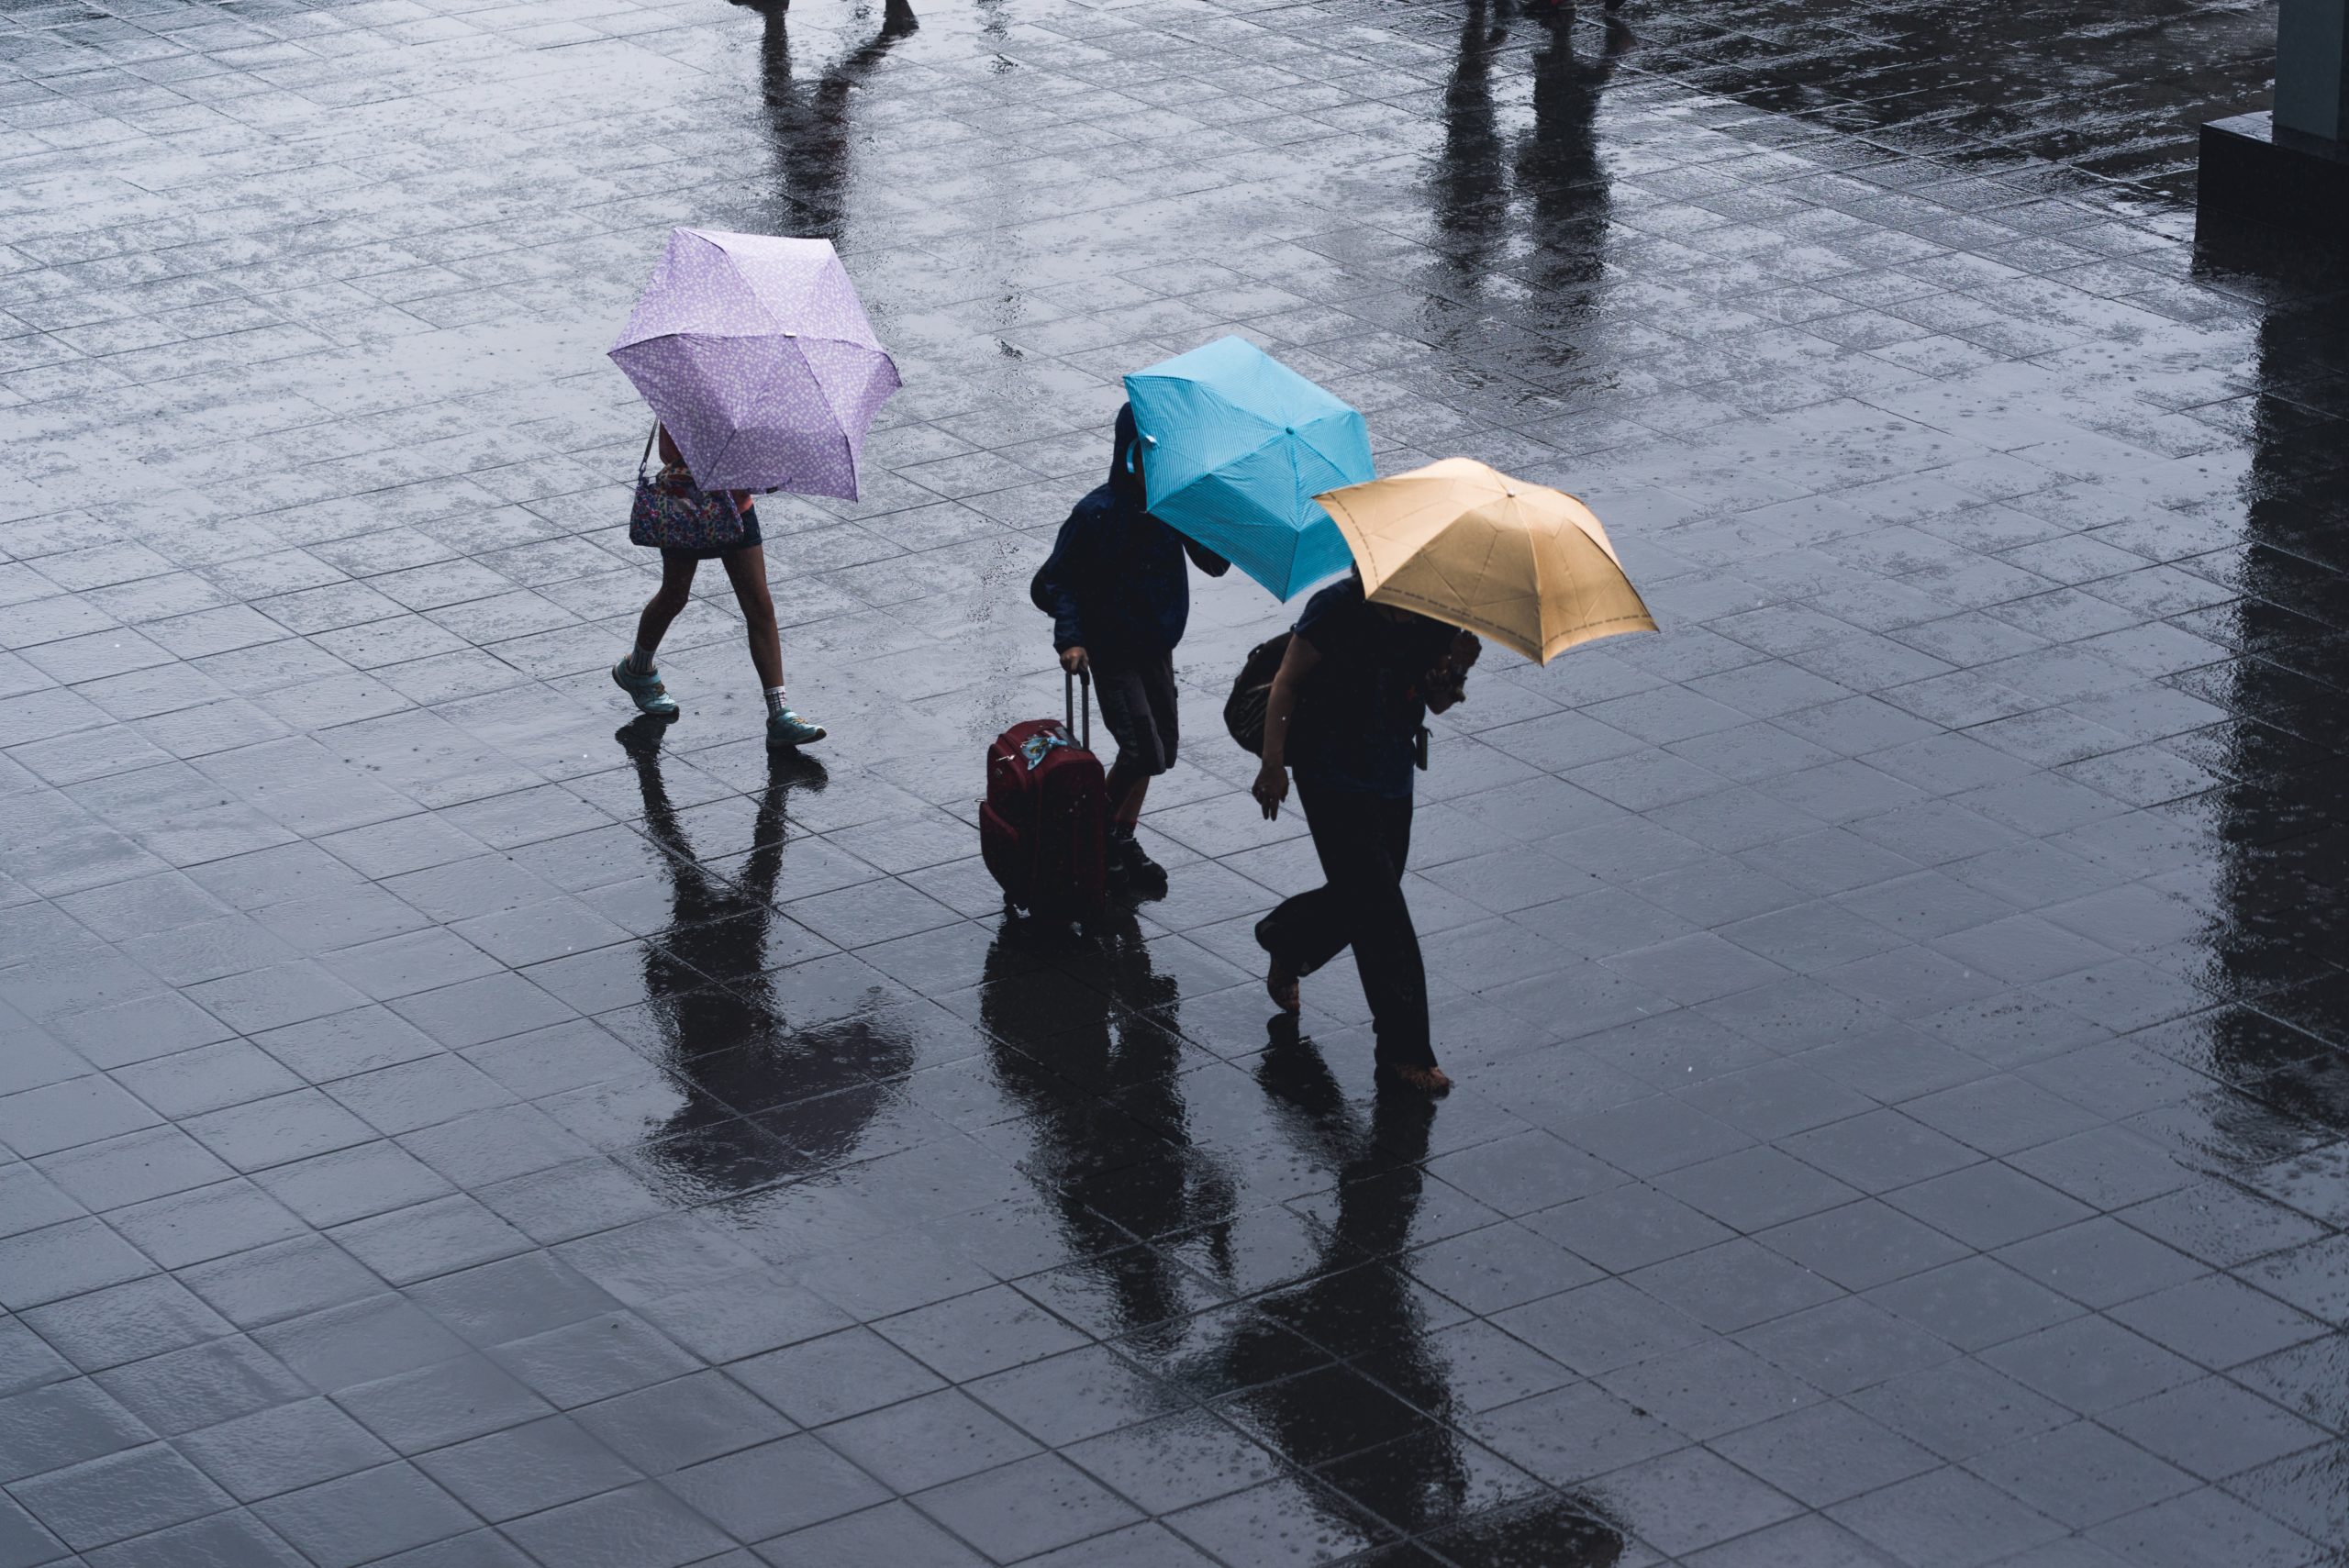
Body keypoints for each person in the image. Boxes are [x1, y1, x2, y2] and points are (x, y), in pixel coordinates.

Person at [1250, 571, 1480, 1096]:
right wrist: (1273, 763)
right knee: (1382, 914)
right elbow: (1287, 680)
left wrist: (1459, 665)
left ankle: (1287, 937)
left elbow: (1437, 700)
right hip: (1330, 777)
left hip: (1391, 776)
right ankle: (1404, 1051)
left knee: (1369, 894)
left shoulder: (1430, 613)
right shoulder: (1334, 608)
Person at [1032, 404, 1230, 889]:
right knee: (1141, 749)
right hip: (1113, 650)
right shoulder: (1096, 514)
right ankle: (1091, 834)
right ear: (1128, 454)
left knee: (1161, 751)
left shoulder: (1172, 507)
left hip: (1156, 647)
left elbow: (1215, 563)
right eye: (1147, 456)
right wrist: (1072, 638)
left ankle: (1119, 833)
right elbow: (1056, 582)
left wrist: (1213, 514)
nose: (1155, 467)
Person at [612, 425, 826, 749]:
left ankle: (779, 714)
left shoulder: (744, 397)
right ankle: (638, 668)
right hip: (687, 505)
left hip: (736, 506)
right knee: (674, 594)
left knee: (758, 604)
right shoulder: (685, 390)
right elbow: (677, 453)